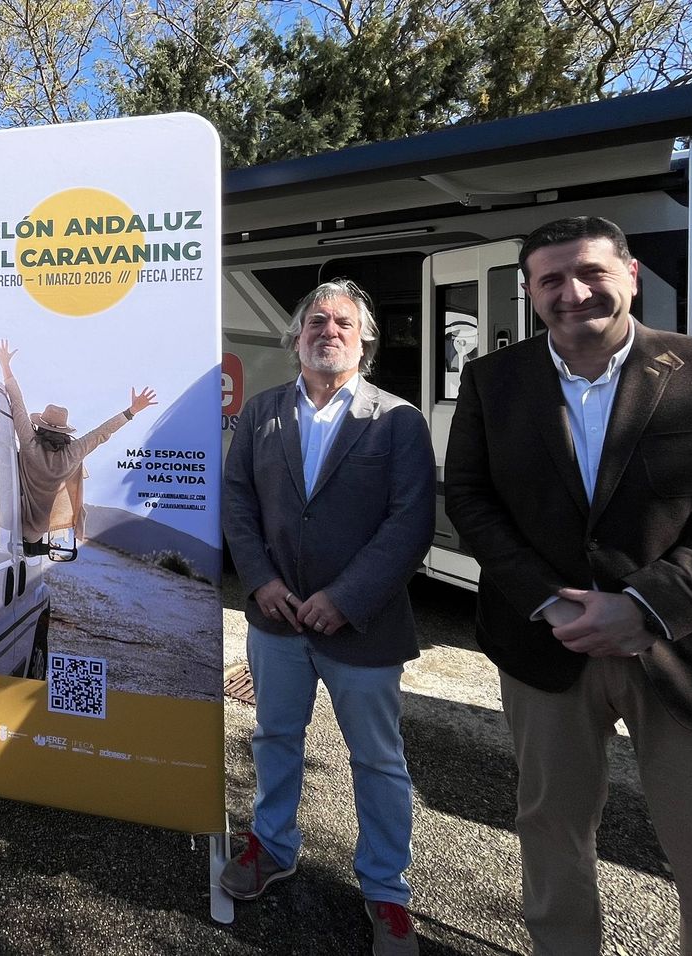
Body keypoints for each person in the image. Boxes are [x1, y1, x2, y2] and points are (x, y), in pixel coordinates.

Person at [443, 216, 692, 955]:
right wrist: (548, 601)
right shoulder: (495, 381)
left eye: (590, 272)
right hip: (547, 646)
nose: (572, 292)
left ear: (631, 274)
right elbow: (470, 500)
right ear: (529, 292)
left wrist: (645, 606)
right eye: (550, 280)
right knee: (550, 834)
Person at [221, 279, 435, 955]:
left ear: (364, 338)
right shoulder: (261, 414)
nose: (329, 330)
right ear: (297, 338)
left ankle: (386, 893)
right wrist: (260, 581)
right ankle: (273, 847)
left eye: (343, 321)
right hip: (277, 619)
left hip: (362, 627)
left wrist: (346, 598)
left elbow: (411, 523)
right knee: (274, 739)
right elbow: (237, 504)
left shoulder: (397, 419)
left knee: (377, 760)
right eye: (316, 321)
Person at [0, 339, 157, 551]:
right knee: (29, 548)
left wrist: (5, 365)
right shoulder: (72, 453)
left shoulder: (29, 442)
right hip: (35, 530)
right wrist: (131, 411)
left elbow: (17, 404)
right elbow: (102, 433)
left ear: (40, 427)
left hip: (8, 517)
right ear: (64, 432)